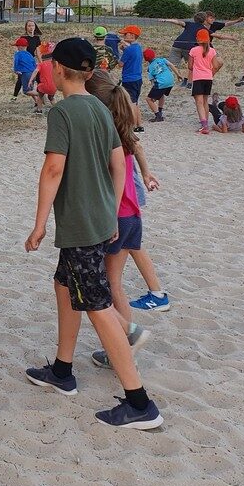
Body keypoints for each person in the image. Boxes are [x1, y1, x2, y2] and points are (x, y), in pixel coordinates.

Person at [23, 37, 163, 430]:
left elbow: (53, 169)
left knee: (98, 307)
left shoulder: (63, 112)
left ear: (58, 69)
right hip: (99, 221)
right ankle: (62, 370)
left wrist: (39, 223)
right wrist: (111, 209)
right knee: (64, 285)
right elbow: (119, 164)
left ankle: (139, 403)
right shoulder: (101, 108)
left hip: (82, 225)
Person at [101, 84, 167, 321]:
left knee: (111, 284)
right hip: (132, 215)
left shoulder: (109, 143)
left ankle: (127, 336)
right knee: (113, 282)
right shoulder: (125, 138)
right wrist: (146, 173)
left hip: (119, 217)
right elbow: (137, 146)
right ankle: (128, 333)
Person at [162, 11, 242, 86]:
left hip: (183, 45)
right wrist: (232, 38)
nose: (213, 19)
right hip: (193, 47)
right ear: (205, 19)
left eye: (213, 18)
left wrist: (166, 20)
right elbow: (219, 36)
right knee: (194, 65)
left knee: (171, 65)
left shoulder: (193, 24)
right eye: (210, 18)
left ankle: (204, 78)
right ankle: (190, 82)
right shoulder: (202, 28)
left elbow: (178, 22)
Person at [189, 29, 223, 135]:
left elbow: (190, 66)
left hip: (198, 78)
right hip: (208, 78)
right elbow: (216, 66)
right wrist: (210, 73)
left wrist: (197, 68)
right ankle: (206, 123)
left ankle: (204, 125)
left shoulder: (193, 50)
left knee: (199, 102)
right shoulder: (212, 51)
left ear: (197, 39)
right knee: (205, 101)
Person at [144, 47, 180, 122]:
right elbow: (171, 65)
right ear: (154, 55)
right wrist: (178, 74)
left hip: (161, 82)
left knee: (149, 99)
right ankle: (160, 111)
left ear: (145, 59)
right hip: (170, 81)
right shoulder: (162, 59)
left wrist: (153, 94)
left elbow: (152, 81)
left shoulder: (150, 68)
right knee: (161, 94)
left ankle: (158, 116)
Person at [14, 20, 42, 98]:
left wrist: (41, 63)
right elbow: (19, 49)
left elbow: (38, 51)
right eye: (29, 26)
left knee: (38, 78)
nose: (31, 27)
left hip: (32, 60)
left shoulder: (36, 38)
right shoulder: (23, 38)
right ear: (26, 27)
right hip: (24, 61)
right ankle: (15, 95)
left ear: (35, 27)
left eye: (32, 25)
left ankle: (39, 97)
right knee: (21, 79)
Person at [12, 37, 39, 112]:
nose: (17, 47)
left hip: (26, 73)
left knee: (26, 91)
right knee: (30, 89)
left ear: (20, 46)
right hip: (33, 73)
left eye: (17, 46)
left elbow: (16, 62)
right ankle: (37, 102)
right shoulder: (29, 54)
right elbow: (34, 63)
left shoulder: (18, 54)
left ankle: (40, 94)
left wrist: (16, 70)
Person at [35, 41, 57, 108]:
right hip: (54, 86)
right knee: (51, 98)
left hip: (44, 85)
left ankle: (39, 109)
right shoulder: (55, 65)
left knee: (40, 95)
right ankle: (57, 108)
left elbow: (37, 76)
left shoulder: (41, 65)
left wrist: (30, 80)